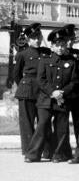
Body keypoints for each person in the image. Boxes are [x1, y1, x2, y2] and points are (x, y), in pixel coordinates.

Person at [25, 28, 79, 163]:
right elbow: (41, 80)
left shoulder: (71, 62)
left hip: (63, 100)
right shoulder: (44, 60)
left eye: (63, 45)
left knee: (62, 129)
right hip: (46, 100)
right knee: (42, 125)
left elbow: (74, 81)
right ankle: (33, 154)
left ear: (66, 45)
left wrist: (63, 93)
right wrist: (52, 92)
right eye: (57, 45)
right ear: (52, 46)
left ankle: (59, 154)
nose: (60, 48)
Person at [13, 23, 51, 155]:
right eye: (34, 38)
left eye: (39, 37)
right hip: (27, 90)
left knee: (44, 121)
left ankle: (46, 150)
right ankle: (29, 150)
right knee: (27, 123)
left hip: (42, 91)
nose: (37, 40)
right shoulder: (22, 54)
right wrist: (25, 86)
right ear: (28, 40)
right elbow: (16, 75)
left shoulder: (46, 53)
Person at [62, 24, 79, 144]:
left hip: (76, 94)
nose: (69, 42)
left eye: (71, 39)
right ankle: (64, 150)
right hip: (64, 93)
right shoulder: (59, 54)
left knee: (78, 123)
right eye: (66, 40)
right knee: (62, 124)